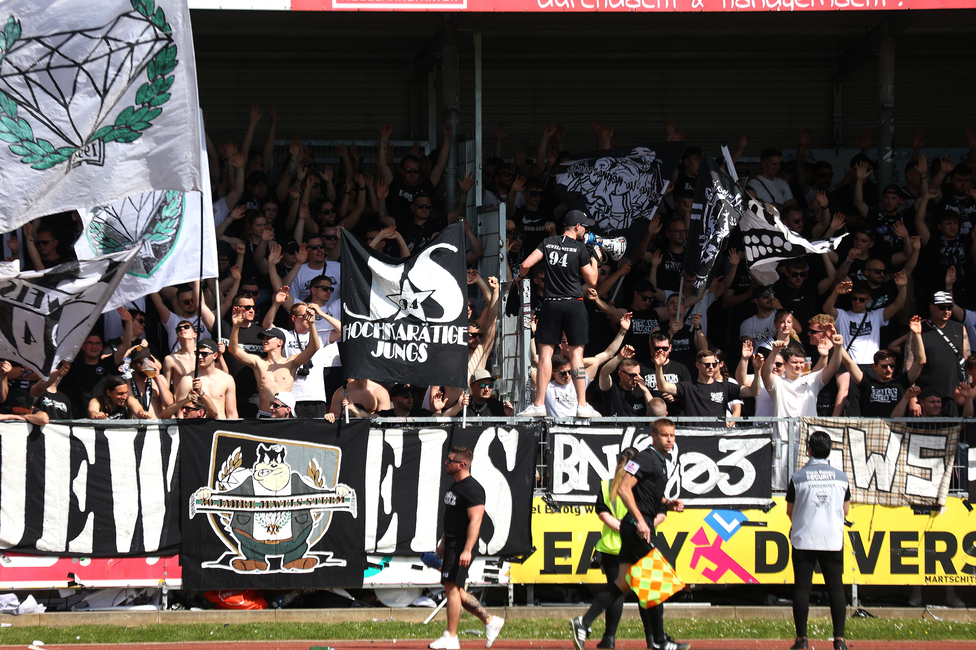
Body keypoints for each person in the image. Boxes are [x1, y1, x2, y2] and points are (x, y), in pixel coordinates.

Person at [571, 419, 689, 650]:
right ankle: (659, 641)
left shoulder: (660, 460)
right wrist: (640, 520)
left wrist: (667, 503)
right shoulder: (645, 457)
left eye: (672, 436)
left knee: (623, 584)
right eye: (665, 435)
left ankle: (583, 622)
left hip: (633, 527)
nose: (669, 439)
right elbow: (625, 488)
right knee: (657, 581)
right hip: (636, 528)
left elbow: (647, 491)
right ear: (653, 436)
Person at [517, 210, 600, 418]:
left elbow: (526, 265)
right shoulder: (581, 248)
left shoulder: (548, 242)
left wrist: (521, 277)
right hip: (574, 304)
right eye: (584, 227)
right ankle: (582, 406)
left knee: (545, 354)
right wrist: (595, 260)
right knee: (576, 356)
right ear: (577, 227)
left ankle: (538, 405)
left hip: (551, 303)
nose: (585, 231)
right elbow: (592, 281)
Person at [429, 446, 504, 650]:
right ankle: (490, 621)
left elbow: (476, 520)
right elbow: (453, 518)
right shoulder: (455, 486)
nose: (446, 463)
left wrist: (467, 549)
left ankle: (451, 637)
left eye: (450, 460)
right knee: (455, 589)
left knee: (451, 588)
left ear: (462, 465)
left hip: (463, 544)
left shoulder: (473, 488)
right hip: (452, 542)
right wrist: (444, 540)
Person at [786, 430, 851, 650]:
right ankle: (840, 640)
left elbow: (789, 511)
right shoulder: (842, 478)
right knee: (836, 589)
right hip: (832, 538)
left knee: (802, 589)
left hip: (804, 537)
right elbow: (846, 510)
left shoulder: (798, 477)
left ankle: (802, 639)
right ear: (829, 450)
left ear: (809, 450)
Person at [593, 447, 659, 650]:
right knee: (645, 595)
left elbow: (603, 514)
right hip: (639, 546)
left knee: (616, 595)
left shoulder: (607, 486)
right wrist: (641, 527)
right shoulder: (645, 485)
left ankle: (609, 638)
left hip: (613, 549)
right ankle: (652, 639)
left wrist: (622, 527)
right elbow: (660, 513)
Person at [228, 308, 321, 417]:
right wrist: (235, 327)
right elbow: (233, 350)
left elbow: (314, 347)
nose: (264, 341)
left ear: (280, 342)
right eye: (263, 338)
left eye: (269, 338)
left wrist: (312, 324)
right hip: (264, 414)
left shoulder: (291, 363)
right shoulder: (258, 363)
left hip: (284, 416)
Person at [654, 349, 760, 418]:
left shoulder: (725, 387)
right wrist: (659, 366)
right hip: (694, 438)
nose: (711, 367)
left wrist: (757, 370)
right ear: (697, 365)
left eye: (714, 364)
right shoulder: (688, 387)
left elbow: (754, 391)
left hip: (717, 437)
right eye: (707, 364)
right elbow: (663, 386)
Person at [174, 339, 238, 419]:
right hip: (197, 427)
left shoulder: (227, 379)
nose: (200, 357)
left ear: (215, 355)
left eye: (204, 354)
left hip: (219, 426)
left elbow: (232, 414)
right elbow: (181, 414)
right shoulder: (187, 380)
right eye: (197, 353)